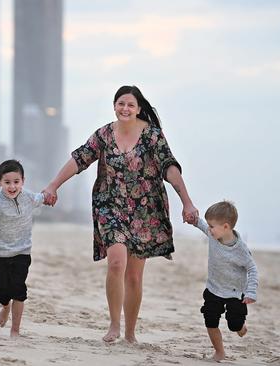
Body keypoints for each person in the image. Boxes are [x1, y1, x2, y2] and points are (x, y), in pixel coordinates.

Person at [42, 85, 199, 343]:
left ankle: (130, 332)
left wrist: (187, 202)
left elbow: (169, 168)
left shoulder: (152, 135)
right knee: (116, 262)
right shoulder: (104, 135)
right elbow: (80, 159)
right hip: (110, 205)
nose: (125, 109)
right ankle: (114, 325)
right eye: (121, 103)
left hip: (144, 210)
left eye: (130, 105)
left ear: (138, 109)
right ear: (114, 106)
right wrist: (53, 185)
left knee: (134, 276)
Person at [0, 159, 47, 338]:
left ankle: (15, 330)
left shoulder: (28, 197)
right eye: (7, 182)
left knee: (19, 291)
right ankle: (5, 306)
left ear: (23, 181)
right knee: (1, 291)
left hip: (22, 253)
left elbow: (40, 199)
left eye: (16, 182)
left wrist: (49, 195)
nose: (12, 187)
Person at [190, 200, 258, 362]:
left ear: (226, 227)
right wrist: (194, 220)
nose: (209, 229)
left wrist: (251, 291)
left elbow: (252, 269)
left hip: (235, 293)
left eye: (212, 226)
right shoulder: (214, 234)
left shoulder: (240, 249)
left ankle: (240, 326)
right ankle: (219, 351)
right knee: (210, 319)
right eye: (209, 225)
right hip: (213, 288)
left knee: (234, 325)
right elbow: (201, 225)